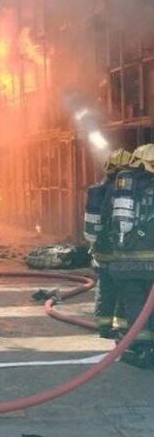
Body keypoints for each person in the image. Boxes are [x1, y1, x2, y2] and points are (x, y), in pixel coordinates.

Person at [106, 143, 154, 367]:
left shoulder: (127, 183)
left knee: (134, 302)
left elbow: (122, 224)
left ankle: (141, 350)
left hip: (131, 259)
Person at [85, 148, 131, 338]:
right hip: (123, 250)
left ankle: (104, 326)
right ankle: (122, 327)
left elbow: (90, 227)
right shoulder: (130, 192)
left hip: (102, 249)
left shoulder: (97, 190)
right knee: (126, 288)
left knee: (105, 288)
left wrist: (94, 246)